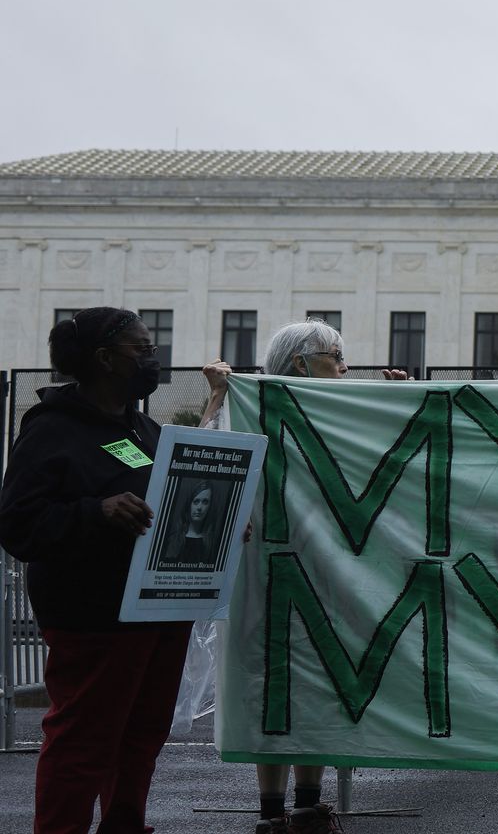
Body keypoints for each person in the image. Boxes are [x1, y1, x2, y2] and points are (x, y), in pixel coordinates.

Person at [204, 319, 406, 834]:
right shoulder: (250, 406)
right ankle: (272, 812)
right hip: (265, 570)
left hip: (322, 570)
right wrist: (216, 397)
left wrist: (405, 404)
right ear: (300, 363)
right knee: (266, 682)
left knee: (319, 682)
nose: (345, 366)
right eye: (336, 355)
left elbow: (385, 466)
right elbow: (204, 456)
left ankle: (307, 806)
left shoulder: (340, 415)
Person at [0, 307, 193, 834]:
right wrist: (97, 511)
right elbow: (17, 525)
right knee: (84, 743)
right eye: (142, 348)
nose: (153, 358)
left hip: (157, 609)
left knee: (140, 737)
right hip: (93, 615)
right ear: (105, 359)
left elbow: (171, 504)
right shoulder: (51, 431)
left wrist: (221, 521)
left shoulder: (146, 430)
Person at [158, 480, 219, 567]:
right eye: (196, 501)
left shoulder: (213, 542)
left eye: (205, 502)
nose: (199, 508)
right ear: (189, 504)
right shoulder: (172, 539)